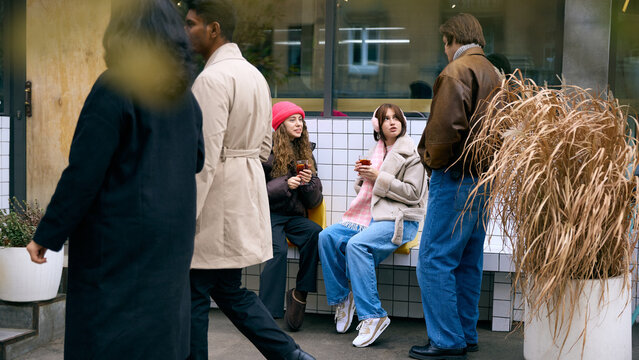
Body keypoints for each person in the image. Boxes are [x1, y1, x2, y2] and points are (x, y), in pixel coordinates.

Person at [25, 0, 204, 358]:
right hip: (169, 243)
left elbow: (84, 172)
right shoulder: (185, 96)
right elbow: (197, 159)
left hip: (117, 245)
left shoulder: (115, 86)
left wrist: (47, 234)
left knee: (108, 337)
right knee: (158, 337)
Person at [183, 1, 314, 359]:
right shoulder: (255, 76)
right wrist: (243, 174)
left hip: (213, 203)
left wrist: (185, 215)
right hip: (241, 194)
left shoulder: (211, 79)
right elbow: (263, 146)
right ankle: (291, 354)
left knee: (194, 294)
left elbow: (204, 157)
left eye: (191, 23)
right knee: (229, 290)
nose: (185, 31)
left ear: (214, 28)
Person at [410, 13, 501, 360]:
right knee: (467, 260)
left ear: (451, 39)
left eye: (444, 44)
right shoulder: (494, 73)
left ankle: (447, 342)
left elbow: (445, 131)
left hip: (455, 176)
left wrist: (430, 161)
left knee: (434, 259)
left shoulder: (455, 71)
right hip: (484, 180)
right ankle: (465, 334)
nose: (445, 51)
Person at [318, 103, 427, 348]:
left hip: (398, 220)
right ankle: (343, 298)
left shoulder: (412, 154)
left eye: (396, 117)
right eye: (386, 118)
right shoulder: (376, 151)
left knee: (356, 246)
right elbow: (366, 193)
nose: (392, 122)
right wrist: (364, 179)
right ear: (378, 126)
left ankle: (373, 315)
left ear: (403, 122)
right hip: (369, 217)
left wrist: (379, 177)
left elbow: (413, 194)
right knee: (326, 236)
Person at [260, 101, 323, 331]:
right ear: (280, 124)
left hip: (294, 216)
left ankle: (300, 294)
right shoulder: (266, 153)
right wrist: (285, 184)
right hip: (270, 214)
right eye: (292, 119)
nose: (299, 124)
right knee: (277, 251)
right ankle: (268, 313)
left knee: (315, 234)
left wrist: (308, 184)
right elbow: (255, 191)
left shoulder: (305, 151)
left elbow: (315, 200)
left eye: (300, 119)